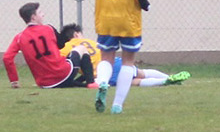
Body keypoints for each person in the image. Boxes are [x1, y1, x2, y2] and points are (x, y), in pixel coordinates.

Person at [57, 23, 189, 87]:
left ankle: (165, 81)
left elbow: (76, 67)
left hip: (104, 72)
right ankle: (169, 78)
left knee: (135, 82)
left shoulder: (66, 49)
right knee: (141, 73)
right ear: (76, 35)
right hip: (115, 61)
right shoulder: (90, 42)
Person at [5, 3, 94, 89]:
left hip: (45, 84)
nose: (43, 14)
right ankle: (91, 83)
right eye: (40, 13)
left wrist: (14, 80)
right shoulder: (48, 28)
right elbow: (62, 45)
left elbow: (7, 58)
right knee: (81, 48)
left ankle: (77, 83)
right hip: (63, 74)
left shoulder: (19, 38)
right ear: (33, 17)